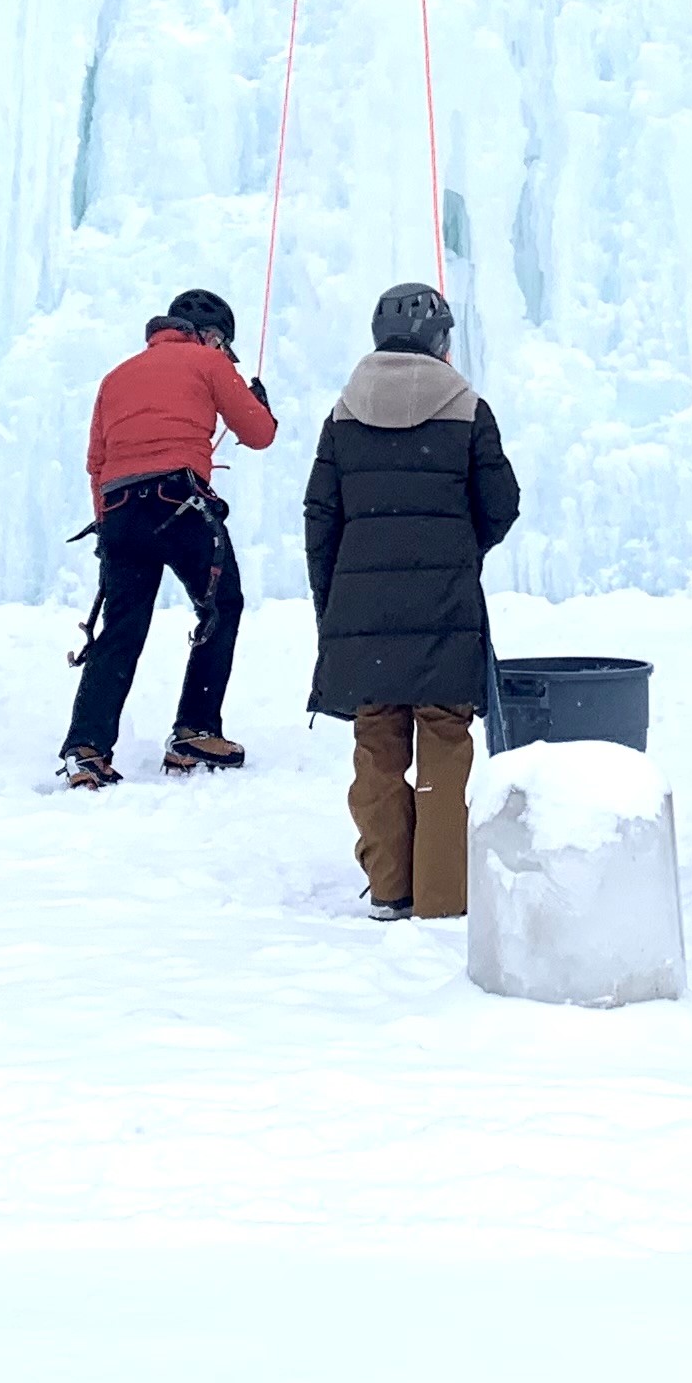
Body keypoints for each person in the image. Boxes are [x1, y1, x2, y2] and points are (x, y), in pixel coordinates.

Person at [304, 280, 521, 921]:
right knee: (445, 740)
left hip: (363, 611)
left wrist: (334, 601)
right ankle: (444, 894)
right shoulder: (467, 409)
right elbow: (502, 505)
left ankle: (391, 889)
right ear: (439, 340)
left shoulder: (342, 416)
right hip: (443, 605)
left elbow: (321, 520)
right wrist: (460, 548)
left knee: (376, 744)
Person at [60, 288, 275, 788]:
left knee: (121, 627)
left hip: (118, 509)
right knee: (221, 605)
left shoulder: (116, 377)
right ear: (209, 335)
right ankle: (195, 730)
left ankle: (86, 749)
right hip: (179, 501)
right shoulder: (207, 362)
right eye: (223, 342)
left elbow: (96, 462)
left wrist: (107, 530)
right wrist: (257, 400)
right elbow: (259, 433)